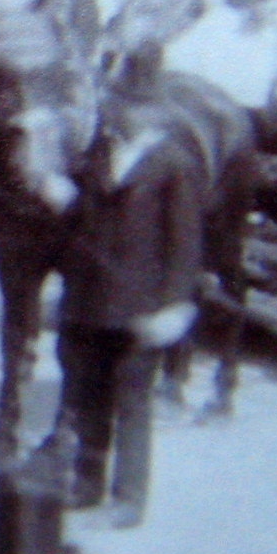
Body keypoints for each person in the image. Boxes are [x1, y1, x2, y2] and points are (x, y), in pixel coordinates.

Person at [43, 60, 205, 528]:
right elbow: (85, 221)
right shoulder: (100, 152)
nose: (124, 112)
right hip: (91, 299)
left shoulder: (174, 164)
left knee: (132, 401)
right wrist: (64, 198)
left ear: (156, 112)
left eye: (137, 105)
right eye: (120, 102)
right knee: (88, 394)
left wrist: (175, 304)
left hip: (142, 305)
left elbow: (185, 243)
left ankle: (129, 497)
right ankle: (87, 482)